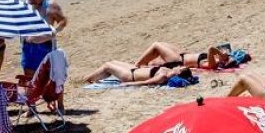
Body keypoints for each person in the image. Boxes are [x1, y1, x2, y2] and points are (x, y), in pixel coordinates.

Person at [81, 42, 236, 84]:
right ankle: (88, 78)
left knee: (156, 45)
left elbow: (210, 49)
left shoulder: (212, 64)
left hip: (176, 59)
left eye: (227, 58)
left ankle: (86, 79)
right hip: (180, 56)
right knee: (112, 63)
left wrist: (219, 54)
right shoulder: (165, 73)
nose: (226, 56)